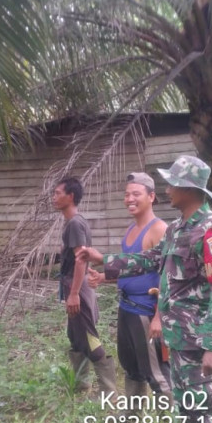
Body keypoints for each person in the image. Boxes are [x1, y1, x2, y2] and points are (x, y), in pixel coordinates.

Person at [76, 156, 212, 423]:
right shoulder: (177, 228)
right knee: (188, 404)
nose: (167, 189)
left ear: (188, 189)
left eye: (172, 183)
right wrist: (104, 260)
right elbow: (148, 259)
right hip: (178, 338)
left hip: (199, 340)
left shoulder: (211, 231)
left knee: (209, 408)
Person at [87, 172, 172, 405]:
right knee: (131, 367)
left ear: (151, 197)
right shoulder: (131, 229)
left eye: (136, 194)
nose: (129, 199)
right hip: (126, 308)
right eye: (126, 195)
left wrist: (159, 317)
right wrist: (103, 277)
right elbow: (133, 268)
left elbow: (167, 276)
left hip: (146, 311)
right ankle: (132, 417)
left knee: (156, 372)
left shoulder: (159, 229)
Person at [52, 176, 117, 398]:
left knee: (89, 336)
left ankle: (109, 393)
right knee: (76, 336)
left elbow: (81, 259)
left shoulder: (75, 223)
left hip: (77, 288)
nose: (54, 197)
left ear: (70, 196)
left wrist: (73, 294)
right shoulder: (73, 222)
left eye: (58, 193)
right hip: (75, 286)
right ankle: (81, 386)